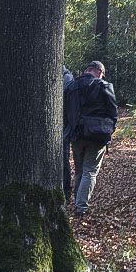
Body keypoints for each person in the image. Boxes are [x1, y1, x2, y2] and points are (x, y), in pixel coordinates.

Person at [64, 61, 119, 216]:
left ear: (87, 70)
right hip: (97, 135)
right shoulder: (103, 85)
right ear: (99, 71)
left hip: (76, 135)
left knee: (80, 170)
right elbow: (113, 111)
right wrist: (110, 129)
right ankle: (81, 207)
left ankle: (77, 201)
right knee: (90, 171)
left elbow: (67, 111)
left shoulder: (72, 86)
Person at [62, 66, 75, 203]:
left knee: (63, 160)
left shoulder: (67, 78)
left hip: (64, 127)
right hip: (63, 126)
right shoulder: (68, 78)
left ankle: (66, 192)